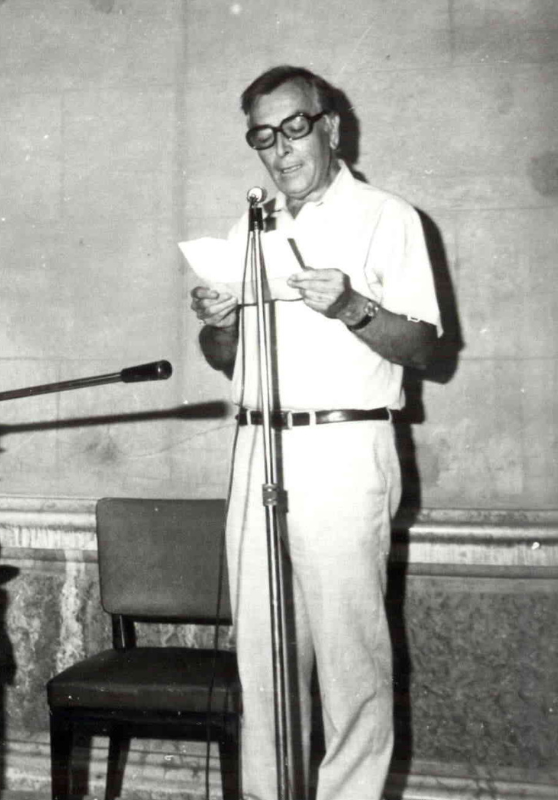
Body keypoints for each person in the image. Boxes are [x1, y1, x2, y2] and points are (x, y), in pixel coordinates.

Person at [189, 66, 440, 800]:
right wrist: (221, 322)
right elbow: (224, 361)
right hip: (258, 449)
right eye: (263, 136)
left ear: (330, 126)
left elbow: (425, 346)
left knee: (349, 659)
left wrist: (353, 306)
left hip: (341, 449)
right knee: (263, 660)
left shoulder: (387, 216)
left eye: (295, 128)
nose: (281, 148)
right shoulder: (251, 227)